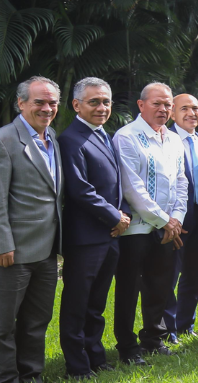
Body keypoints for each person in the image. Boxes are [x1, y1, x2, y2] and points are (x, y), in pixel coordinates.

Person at [0, 77, 66, 383]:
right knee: (3, 325)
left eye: (53, 102)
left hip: (45, 251)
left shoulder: (51, 137)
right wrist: (1, 243)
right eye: (39, 102)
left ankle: (31, 376)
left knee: (36, 321)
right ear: (21, 103)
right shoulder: (1, 140)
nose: (47, 108)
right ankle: (5, 378)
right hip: (10, 253)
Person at [58, 78, 129, 377]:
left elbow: (114, 184)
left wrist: (119, 214)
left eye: (106, 102)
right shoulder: (70, 139)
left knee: (96, 303)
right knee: (77, 304)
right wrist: (115, 217)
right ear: (76, 105)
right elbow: (80, 190)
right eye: (94, 102)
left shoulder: (103, 135)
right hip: (85, 238)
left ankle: (96, 357)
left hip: (109, 235)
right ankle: (77, 366)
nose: (102, 108)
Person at [113, 82, 189, 363]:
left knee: (160, 284)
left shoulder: (173, 139)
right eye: (157, 103)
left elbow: (182, 182)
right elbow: (132, 187)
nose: (164, 109)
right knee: (129, 288)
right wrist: (163, 221)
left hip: (169, 228)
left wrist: (177, 219)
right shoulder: (127, 137)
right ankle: (127, 346)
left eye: (168, 104)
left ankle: (153, 339)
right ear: (141, 105)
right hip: (136, 229)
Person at [167, 93, 198, 339]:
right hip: (176, 221)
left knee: (194, 277)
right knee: (169, 278)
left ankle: (185, 325)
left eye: (195, 108)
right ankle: (166, 330)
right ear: (172, 113)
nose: (191, 113)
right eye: (184, 108)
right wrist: (172, 219)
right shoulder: (165, 139)